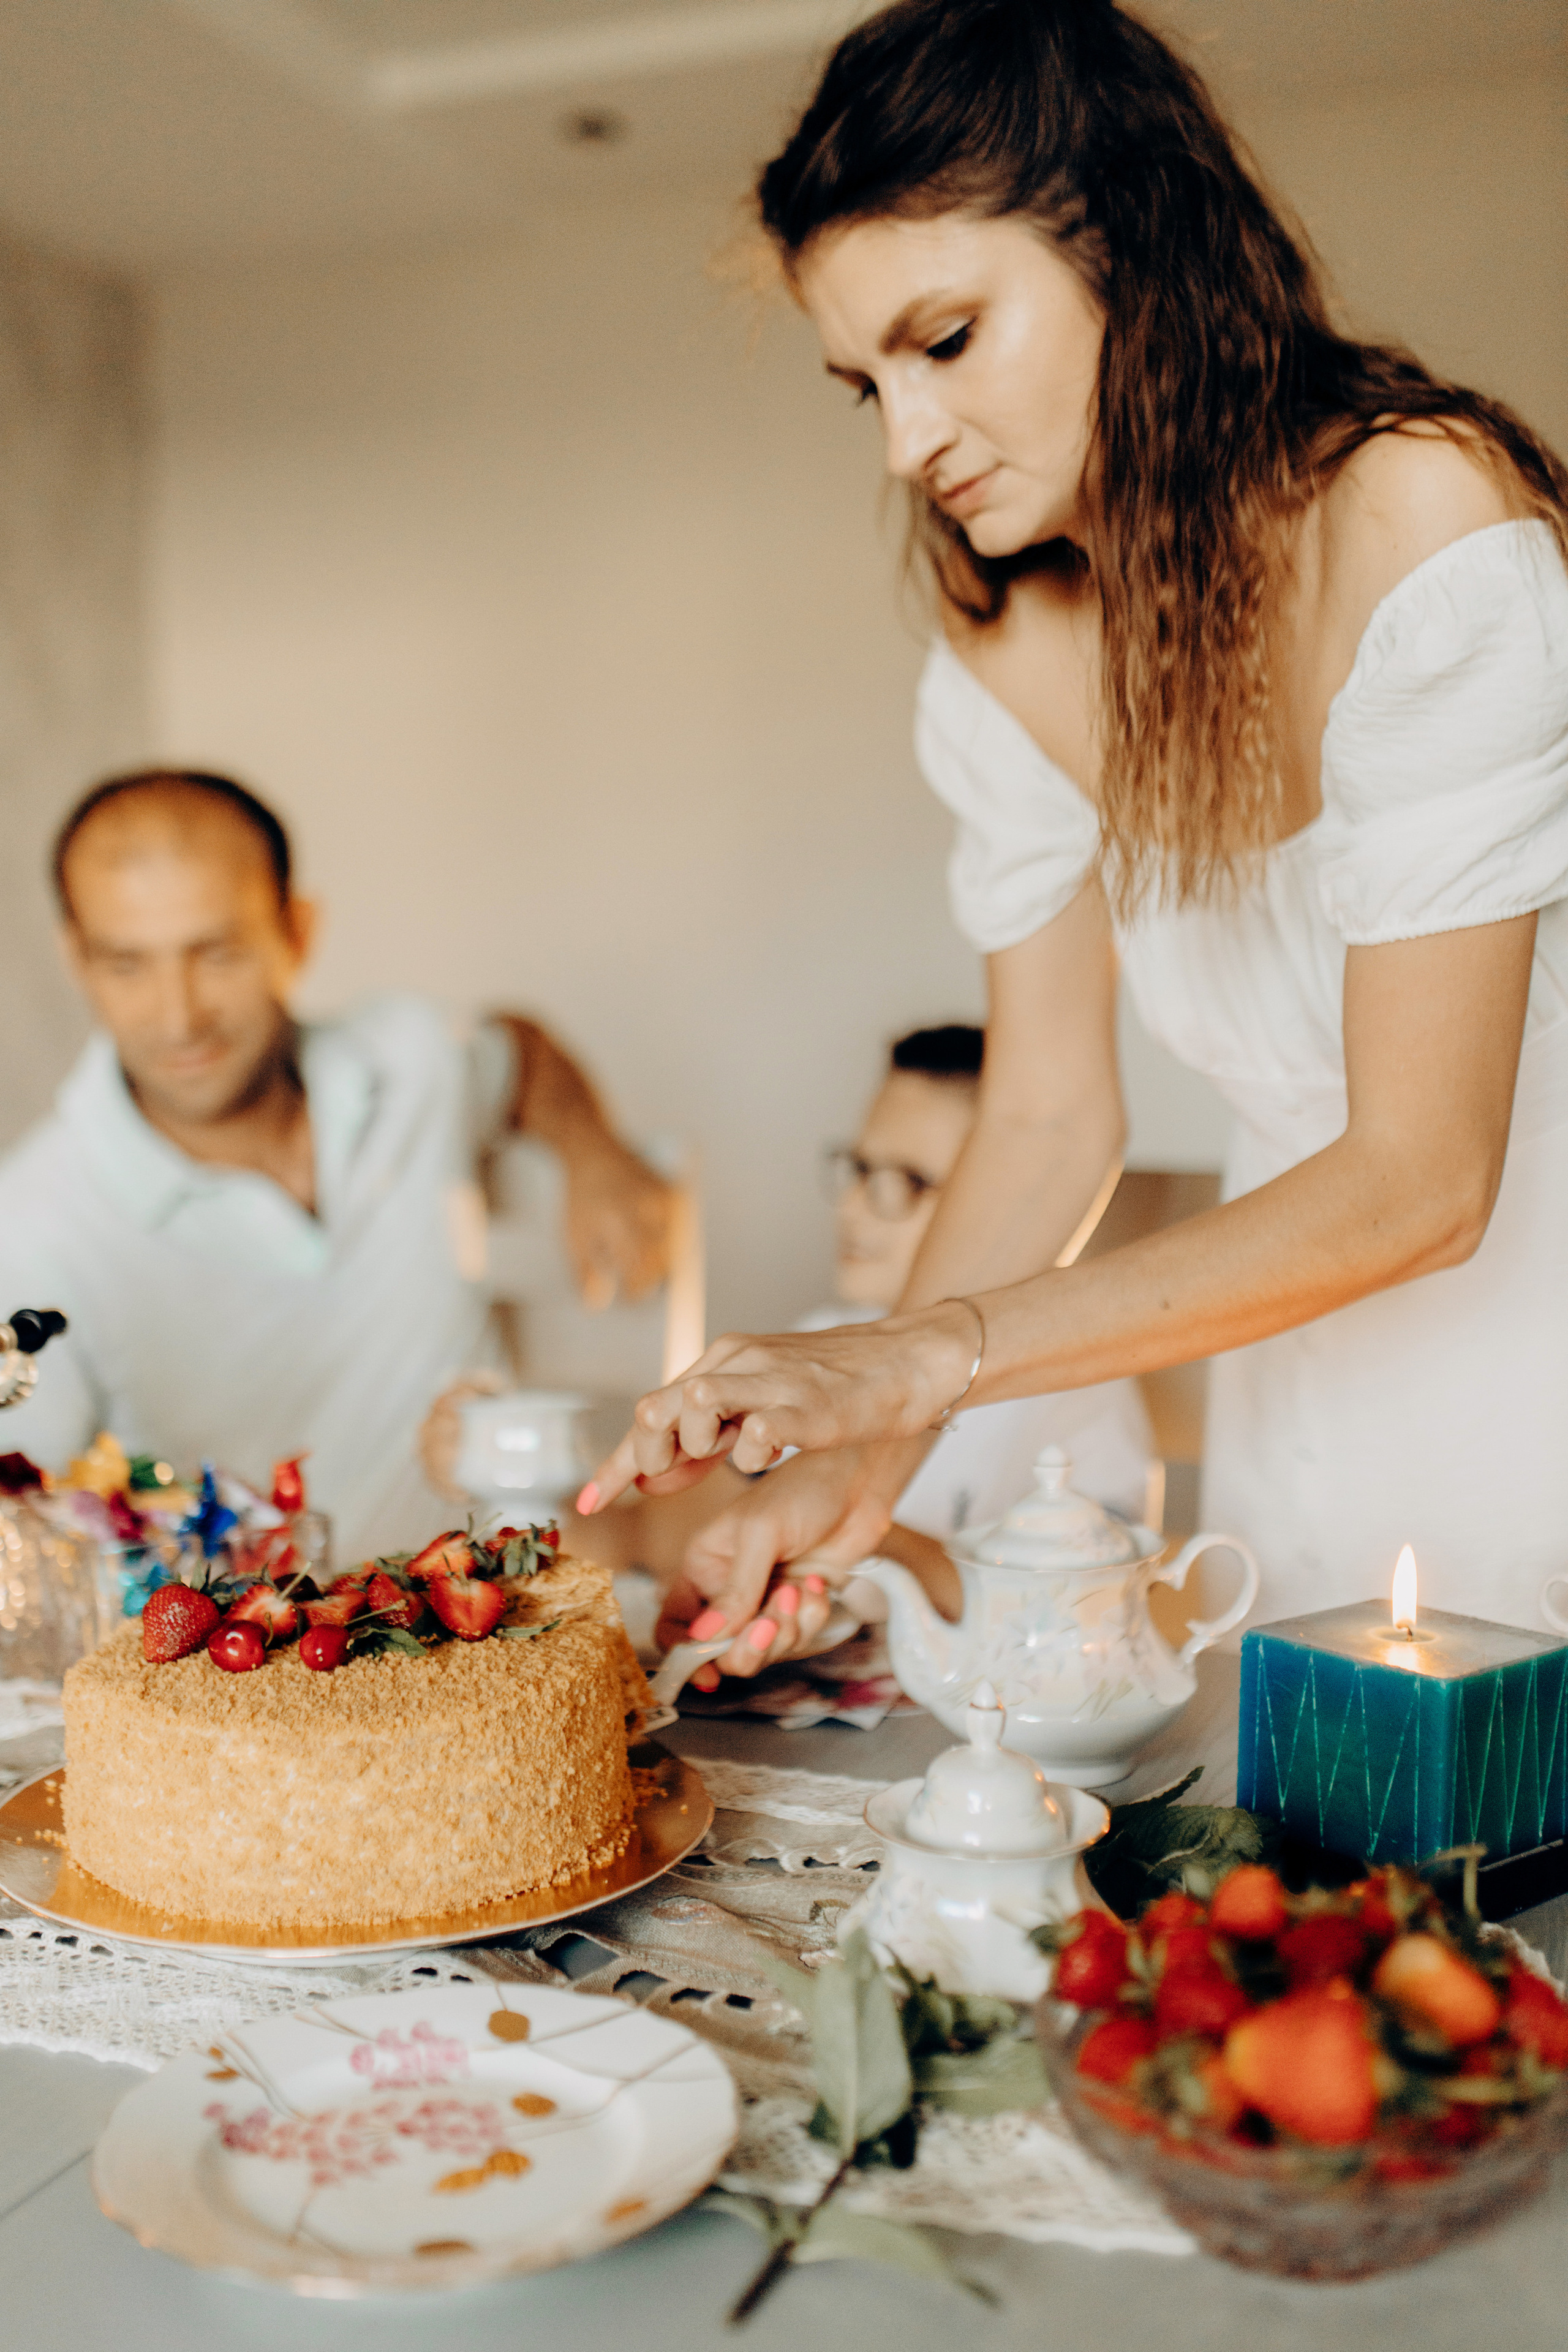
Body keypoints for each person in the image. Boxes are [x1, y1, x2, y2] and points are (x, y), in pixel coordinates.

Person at [584, 0, 1568, 1672]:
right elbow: (1044, 1119)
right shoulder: (1005, 648)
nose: (907, 441)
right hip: (1294, 1379)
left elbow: (1422, 1179)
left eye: (947, 340)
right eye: (866, 384)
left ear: (1135, 247)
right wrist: (852, 1463)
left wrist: (909, 1356)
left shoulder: (1425, 523)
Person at [0, 767, 673, 1558]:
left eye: (217, 954)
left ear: (297, 932)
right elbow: (23, 1531)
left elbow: (518, 1051)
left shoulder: (412, 1059)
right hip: (245, 1633)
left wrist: (593, 1150)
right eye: (127, 964)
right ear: (76, 958)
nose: (179, 1018)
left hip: (509, 1600)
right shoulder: (29, 1226)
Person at [426, 1022, 1153, 1673]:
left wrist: (869, 1541)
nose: (856, 1205)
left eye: (907, 1182)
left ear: (1011, 1201)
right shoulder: (811, 1353)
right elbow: (649, 1539)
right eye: (858, 1169)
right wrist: (500, 1476)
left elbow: (1101, 1619)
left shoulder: (1077, 1385)